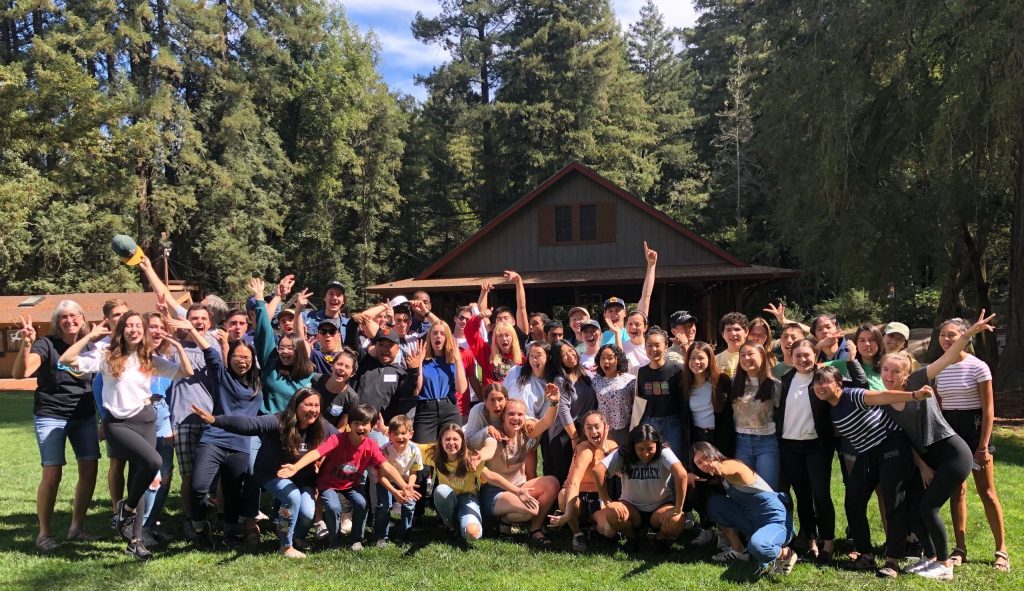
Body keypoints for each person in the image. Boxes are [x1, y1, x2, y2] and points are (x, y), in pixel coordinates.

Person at [60, 311, 195, 560]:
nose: (134, 329)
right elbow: (67, 359)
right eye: (128, 325)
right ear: (121, 330)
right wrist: (90, 335)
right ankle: (127, 508)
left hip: (146, 419)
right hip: (118, 423)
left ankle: (135, 541)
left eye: (138, 325)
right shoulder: (106, 355)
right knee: (153, 462)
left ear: (143, 331)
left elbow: (186, 373)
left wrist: (177, 346)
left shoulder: (149, 358)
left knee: (138, 481)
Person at [876, 311, 995, 580]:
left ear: (907, 373)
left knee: (928, 508)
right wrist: (922, 467)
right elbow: (907, 438)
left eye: (896, 371)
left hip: (953, 454)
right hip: (930, 458)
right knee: (914, 508)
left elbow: (948, 357)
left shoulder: (919, 381)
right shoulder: (886, 399)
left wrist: (968, 334)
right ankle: (931, 557)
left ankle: (944, 564)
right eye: (885, 370)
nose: (890, 375)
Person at [190, 389, 335, 558]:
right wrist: (216, 420)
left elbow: (341, 440)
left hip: (304, 478)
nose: (313, 409)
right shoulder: (279, 421)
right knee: (292, 498)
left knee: (307, 513)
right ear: (296, 405)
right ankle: (285, 545)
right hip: (272, 473)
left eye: (317, 405)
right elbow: (250, 424)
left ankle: (297, 535)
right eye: (308, 404)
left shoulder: (321, 425)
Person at [810, 365, 919, 576]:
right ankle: (866, 555)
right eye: (817, 382)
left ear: (839, 384)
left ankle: (892, 560)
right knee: (853, 502)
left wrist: (914, 395)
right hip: (866, 454)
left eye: (826, 381)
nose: (821, 386)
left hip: (891, 447)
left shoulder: (854, 395)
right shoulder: (829, 408)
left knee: (893, 502)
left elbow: (883, 396)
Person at [13, 304, 100, 552]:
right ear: (56, 322)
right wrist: (27, 343)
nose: (69, 320)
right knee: (52, 473)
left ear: (82, 319)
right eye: (63, 317)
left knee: (90, 468)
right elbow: (22, 372)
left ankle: (76, 528)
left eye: (74, 316)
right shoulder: (46, 344)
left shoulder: (90, 344)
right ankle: (44, 534)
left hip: (83, 415)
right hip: (51, 415)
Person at [277, 404, 414, 551]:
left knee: (362, 503)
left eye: (365, 424)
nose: (360, 428)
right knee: (333, 506)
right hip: (328, 483)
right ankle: (335, 540)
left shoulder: (371, 446)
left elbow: (387, 466)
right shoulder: (337, 439)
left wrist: (404, 486)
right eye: (356, 423)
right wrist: (296, 467)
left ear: (372, 426)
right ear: (349, 425)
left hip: (352, 484)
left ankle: (357, 540)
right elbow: (316, 453)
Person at [933, 315, 1008, 572]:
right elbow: (940, 409)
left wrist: (983, 446)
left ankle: (1001, 550)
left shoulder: (979, 367)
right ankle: (960, 548)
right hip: (952, 435)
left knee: (987, 492)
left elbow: (988, 411)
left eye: (952, 335)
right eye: (943, 335)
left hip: (976, 432)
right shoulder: (939, 367)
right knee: (957, 492)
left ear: (965, 337)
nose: (946, 339)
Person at [188, 329, 263, 548]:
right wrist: (192, 330)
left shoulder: (258, 385)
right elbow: (208, 352)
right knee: (198, 487)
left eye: (247, 358)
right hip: (214, 439)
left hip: (240, 444)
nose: (242, 361)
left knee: (232, 492)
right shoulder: (222, 377)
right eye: (238, 357)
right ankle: (200, 527)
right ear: (229, 358)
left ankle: (230, 533)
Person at [694, 442, 797, 575]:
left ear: (713, 452)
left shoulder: (733, 465)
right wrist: (690, 476)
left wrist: (719, 466)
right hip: (752, 520)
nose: (705, 464)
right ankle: (739, 551)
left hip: (776, 522)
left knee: (758, 547)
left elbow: (730, 468)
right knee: (714, 503)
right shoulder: (720, 478)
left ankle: (786, 553)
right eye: (699, 463)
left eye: (706, 457)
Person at [775, 339, 836, 563]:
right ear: (791, 357)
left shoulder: (823, 378)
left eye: (807, 354)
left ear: (816, 355)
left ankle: (828, 540)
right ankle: (810, 540)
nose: (803, 359)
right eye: (798, 355)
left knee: (821, 495)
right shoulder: (785, 380)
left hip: (816, 447)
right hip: (789, 446)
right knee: (802, 496)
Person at [477, 391, 562, 547]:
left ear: (525, 417)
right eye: (511, 414)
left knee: (552, 483)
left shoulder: (525, 433)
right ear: (503, 416)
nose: (515, 418)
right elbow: (488, 451)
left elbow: (546, 422)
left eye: (520, 415)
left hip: (519, 487)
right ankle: (504, 519)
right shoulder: (495, 435)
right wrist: (481, 456)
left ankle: (535, 529)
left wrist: (554, 403)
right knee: (531, 509)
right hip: (494, 493)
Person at [421, 424, 530, 545]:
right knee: (441, 490)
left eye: (455, 439)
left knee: (473, 534)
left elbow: (491, 477)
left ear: (463, 441)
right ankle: (451, 526)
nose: (451, 443)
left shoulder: (470, 459)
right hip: (447, 497)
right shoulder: (434, 452)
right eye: (447, 439)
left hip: (468, 498)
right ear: (441, 441)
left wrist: (517, 491)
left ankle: (463, 524)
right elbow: (410, 447)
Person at [592, 424, 691, 546]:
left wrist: (678, 509)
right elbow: (597, 471)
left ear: (657, 445)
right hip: (631, 508)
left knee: (677, 519)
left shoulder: (664, 452)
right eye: (640, 449)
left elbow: (682, 475)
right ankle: (632, 538)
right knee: (612, 513)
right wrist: (607, 502)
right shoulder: (623, 453)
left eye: (650, 449)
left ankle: (659, 538)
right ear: (633, 446)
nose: (646, 454)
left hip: (660, 508)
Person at [548, 410, 618, 552]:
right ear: (584, 431)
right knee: (564, 495)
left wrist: (604, 448)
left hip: (599, 497)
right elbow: (574, 482)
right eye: (589, 427)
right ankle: (577, 533)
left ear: (606, 427)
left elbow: (621, 474)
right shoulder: (585, 449)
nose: (594, 431)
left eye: (597, 426)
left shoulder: (612, 446)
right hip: (577, 496)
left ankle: (592, 527)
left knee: (609, 531)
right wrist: (567, 513)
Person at [250, 277, 315, 414]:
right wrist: (274, 297)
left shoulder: (308, 374)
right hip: (269, 425)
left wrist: (298, 311)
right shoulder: (272, 362)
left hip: (297, 428)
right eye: (282, 347)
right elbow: (263, 329)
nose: (285, 351)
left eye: (290, 348)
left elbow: (300, 340)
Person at [543, 341, 599, 484]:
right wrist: (575, 438)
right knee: (565, 477)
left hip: (583, 430)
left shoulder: (583, 374)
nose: (569, 355)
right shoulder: (560, 380)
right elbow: (563, 410)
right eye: (563, 355)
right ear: (558, 360)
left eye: (570, 350)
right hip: (565, 434)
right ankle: (559, 505)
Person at [729, 342, 781, 491]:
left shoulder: (774, 384)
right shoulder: (733, 383)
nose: (746, 358)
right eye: (743, 355)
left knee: (768, 490)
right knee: (744, 489)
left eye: (751, 354)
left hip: (766, 443)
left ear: (762, 356)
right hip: (741, 443)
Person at [633, 327, 688, 455]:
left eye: (657, 345)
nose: (653, 349)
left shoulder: (677, 370)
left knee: (674, 460)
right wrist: (636, 426)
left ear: (666, 346)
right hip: (649, 422)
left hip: (672, 423)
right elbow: (639, 400)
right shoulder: (642, 372)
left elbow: (683, 399)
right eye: (649, 346)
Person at [411, 320, 467, 444]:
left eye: (442, 333)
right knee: (424, 453)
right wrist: (419, 362)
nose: (438, 336)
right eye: (435, 333)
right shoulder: (423, 360)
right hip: (426, 410)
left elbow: (461, 389)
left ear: (447, 337)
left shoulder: (452, 361)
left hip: (449, 409)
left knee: (452, 452)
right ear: (429, 337)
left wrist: (458, 360)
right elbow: (416, 390)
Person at [374, 415, 424, 545]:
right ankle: (381, 535)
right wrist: (395, 491)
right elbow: (381, 476)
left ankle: (405, 534)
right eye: (395, 433)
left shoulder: (414, 450)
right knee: (385, 506)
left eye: (403, 433)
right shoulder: (384, 450)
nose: (399, 437)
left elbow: (414, 472)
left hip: (406, 481)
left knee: (409, 505)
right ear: (389, 434)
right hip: (386, 481)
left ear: (411, 434)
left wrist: (409, 487)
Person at [591, 344, 636, 447]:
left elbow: (636, 407)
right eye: (602, 358)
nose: (606, 361)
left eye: (610, 358)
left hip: (624, 430)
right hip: (602, 431)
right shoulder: (596, 381)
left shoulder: (630, 380)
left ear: (618, 359)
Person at [310, 348, 359, 430]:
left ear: (352, 373)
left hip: (327, 436)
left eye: (347, 367)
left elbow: (342, 426)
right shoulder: (315, 380)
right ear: (332, 366)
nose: (342, 368)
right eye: (339, 364)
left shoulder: (351, 397)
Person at [852, 323, 886, 389]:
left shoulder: (888, 366)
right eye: (862, 340)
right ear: (856, 344)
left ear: (879, 343)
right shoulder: (847, 365)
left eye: (872, 340)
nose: (867, 344)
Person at [716, 313, 749, 378]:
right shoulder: (715, 360)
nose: (733, 333)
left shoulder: (753, 357)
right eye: (728, 330)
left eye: (737, 329)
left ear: (746, 332)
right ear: (723, 334)